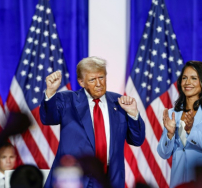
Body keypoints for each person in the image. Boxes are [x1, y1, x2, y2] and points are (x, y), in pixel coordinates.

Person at [40, 56, 146, 188]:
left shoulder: (119, 102)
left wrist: (133, 114)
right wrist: (50, 92)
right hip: (75, 179)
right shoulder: (68, 100)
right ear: (81, 82)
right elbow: (48, 119)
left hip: (109, 179)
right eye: (92, 80)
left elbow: (137, 140)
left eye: (101, 77)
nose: (98, 84)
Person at [157, 61, 202, 188]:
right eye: (184, 78)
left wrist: (190, 131)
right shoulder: (174, 113)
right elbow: (163, 153)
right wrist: (170, 134)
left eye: (194, 78)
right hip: (178, 182)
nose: (187, 82)